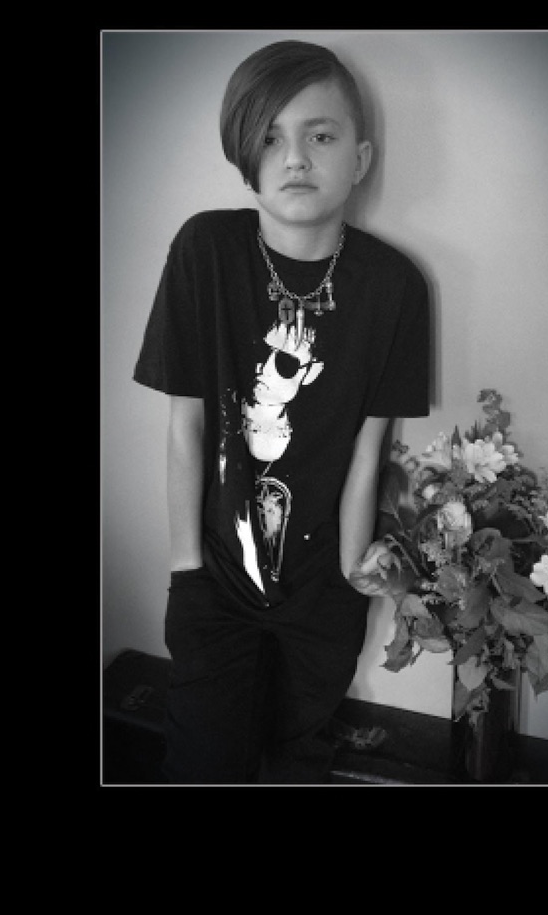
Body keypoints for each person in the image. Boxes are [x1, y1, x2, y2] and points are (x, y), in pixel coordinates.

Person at [132, 39, 431, 784]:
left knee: (297, 759)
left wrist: (361, 572)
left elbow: (368, 451)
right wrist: (186, 571)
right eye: (270, 137)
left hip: (323, 595)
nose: (294, 157)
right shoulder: (206, 250)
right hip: (214, 583)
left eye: (320, 136)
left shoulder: (394, 286)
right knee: (202, 762)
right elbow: (187, 427)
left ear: (360, 159)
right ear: (245, 154)